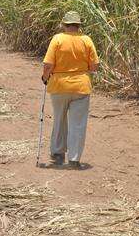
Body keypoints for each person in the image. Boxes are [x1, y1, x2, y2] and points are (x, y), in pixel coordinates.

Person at [41, 11, 99, 169]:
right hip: (81, 86)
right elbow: (94, 66)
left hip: (59, 85)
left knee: (59, 120)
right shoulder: (86, 40)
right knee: (78, 124)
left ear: (64, 25)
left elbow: (48, 64)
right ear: (79, 25)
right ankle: (74, 159)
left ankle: (58, 154)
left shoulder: (57, 39)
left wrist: (45, 77)